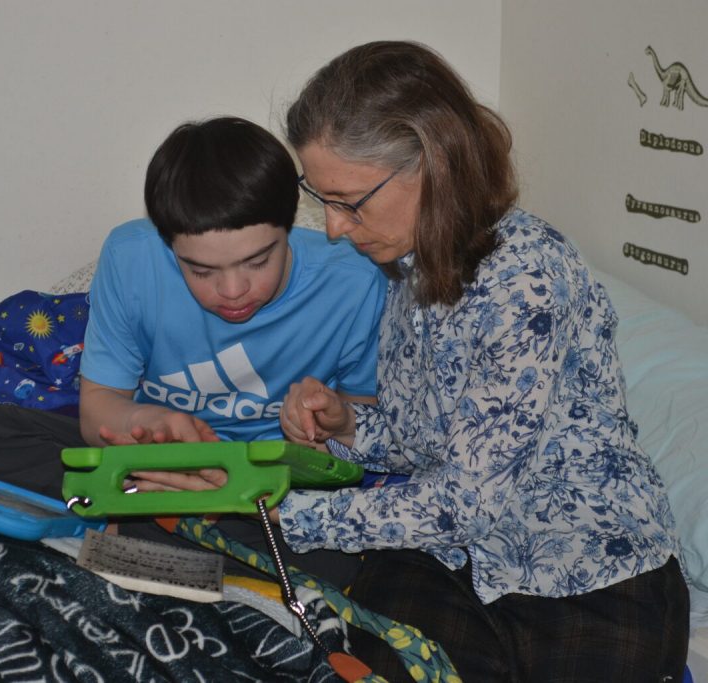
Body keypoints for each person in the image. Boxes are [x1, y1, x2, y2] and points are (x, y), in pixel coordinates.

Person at [133, 42, 690, 682]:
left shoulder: (526, 280)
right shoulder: (410, 270)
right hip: (451, 559)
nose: (336, 229)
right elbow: (423, 441)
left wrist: (275, 511)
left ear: (432, 163)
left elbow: (467, 500)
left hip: (589, 566)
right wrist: (346, 426)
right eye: (323, 200)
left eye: (348, 201)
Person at [0, 115, 388, 586]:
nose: (233, 290)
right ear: (168, 243)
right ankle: (158, 532)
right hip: (140, 471)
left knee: (340, 562)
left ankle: (121, 529)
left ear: (290, 227)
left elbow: (365, 433)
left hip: (264, 488)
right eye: (200, 271)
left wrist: (325, 422)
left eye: (258, 261)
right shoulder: (131, 257)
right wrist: (145, 425)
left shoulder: (354, 280)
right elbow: (99, 411)